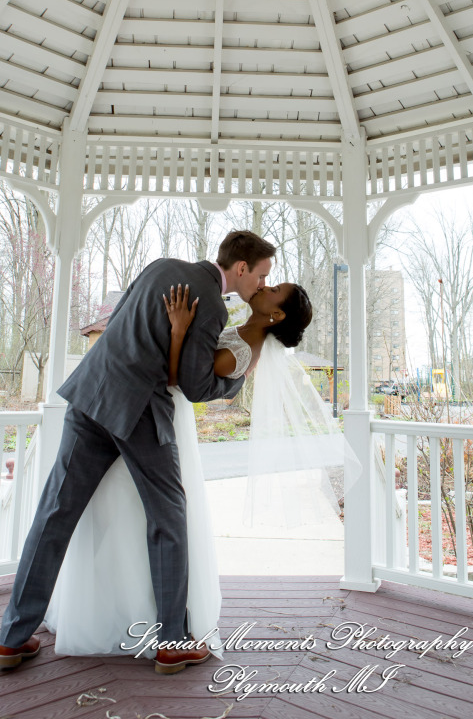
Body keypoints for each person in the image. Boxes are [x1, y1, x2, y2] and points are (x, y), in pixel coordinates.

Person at [0, 230, 276, 673]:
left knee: (53, 515)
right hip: (139, 409)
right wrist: (239, 378)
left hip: (90, 392)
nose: (260, 284)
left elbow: (116, 321)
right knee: (169, 520)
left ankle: (11, 637)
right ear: (241, 268)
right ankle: (172, 642)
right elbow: (196, 385)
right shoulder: (213, 303)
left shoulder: (160, 265)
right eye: (261, 275)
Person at [42, 279, 314, 667]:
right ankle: (128, 614)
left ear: (277, 314)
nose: (264, 286)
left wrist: (180, 329)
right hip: (142, 408)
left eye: (274, 290)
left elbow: (181, 381)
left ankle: (161, 628)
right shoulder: (243, 331)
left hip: (161, 413)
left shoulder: (242, 349)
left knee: (161, 516)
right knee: (135, 514)